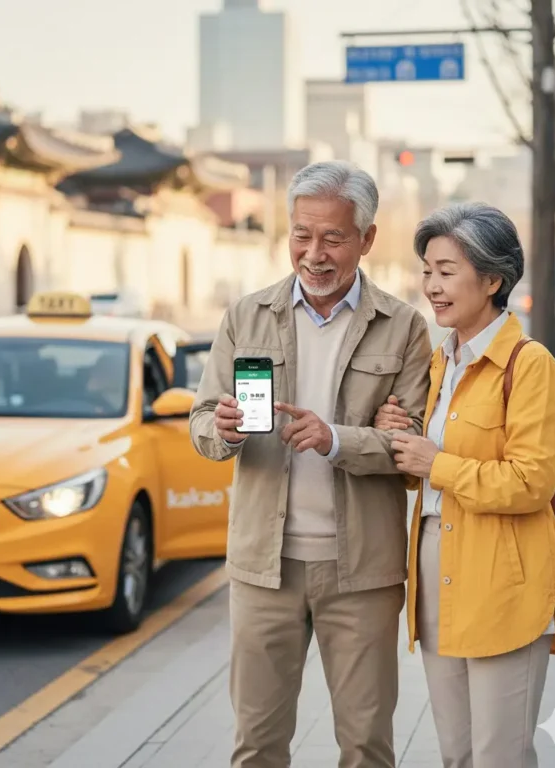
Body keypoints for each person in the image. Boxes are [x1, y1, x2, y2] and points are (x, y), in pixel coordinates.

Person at [189, 160, 433, 768]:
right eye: (302, 234)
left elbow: (416, 450)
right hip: (261, 569)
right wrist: (220, 431)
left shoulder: (403, 328)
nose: (314, 253)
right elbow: (200, 425)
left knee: (367, 746)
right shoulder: (246, 317)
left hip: (364, 574)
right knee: (257, 746)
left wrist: (335, 440)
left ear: (367, 239)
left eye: (333, 237)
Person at [374, 202, 555, 768]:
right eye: (428, 271)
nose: (432, 286)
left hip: (505, 577)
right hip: (438, 569)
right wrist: (404, 441)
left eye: (446, 271)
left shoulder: (531, 367)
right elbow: (433, 473)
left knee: (499, 756)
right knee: (458, 754)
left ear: (492, 279)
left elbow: (532, 483)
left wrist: (435, 461)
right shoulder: (444, 363)